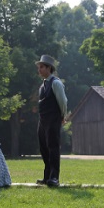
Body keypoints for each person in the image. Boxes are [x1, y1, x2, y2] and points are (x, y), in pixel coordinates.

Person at [35, 55, 68, 187]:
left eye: (42, 67)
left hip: (53, 119)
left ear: (49, 68)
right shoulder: (42, 86)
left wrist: (63, 116)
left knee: (53, 148)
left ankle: (54, 178)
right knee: (44, 148)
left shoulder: (56, 83)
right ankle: (47, 176)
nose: (39, 70)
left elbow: (63, 102)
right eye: (39, 67)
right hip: (42, 121)